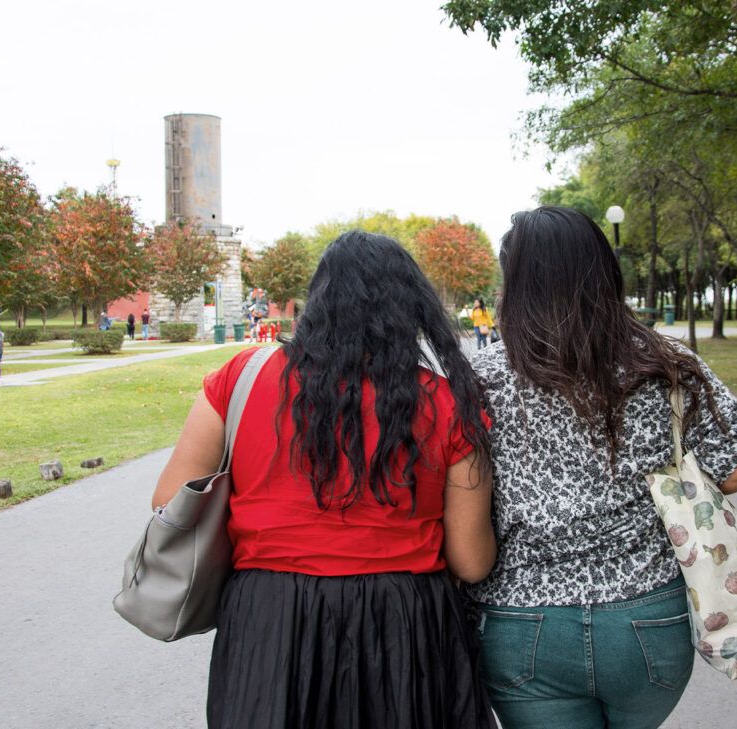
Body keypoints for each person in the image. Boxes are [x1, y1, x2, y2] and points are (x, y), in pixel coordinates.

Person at [151, 231, 498, 729]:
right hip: (403, 624)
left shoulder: (241, 378)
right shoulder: (447, 402)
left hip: (270, 621)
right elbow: (470, 562)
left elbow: (170, 502)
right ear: (409, 307)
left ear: (318, 300)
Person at [466, 207, 737, 729]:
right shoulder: (665, 363)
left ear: (515, 281)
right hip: (648, 619)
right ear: (604, 271)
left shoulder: (478, 379)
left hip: (522, 624)